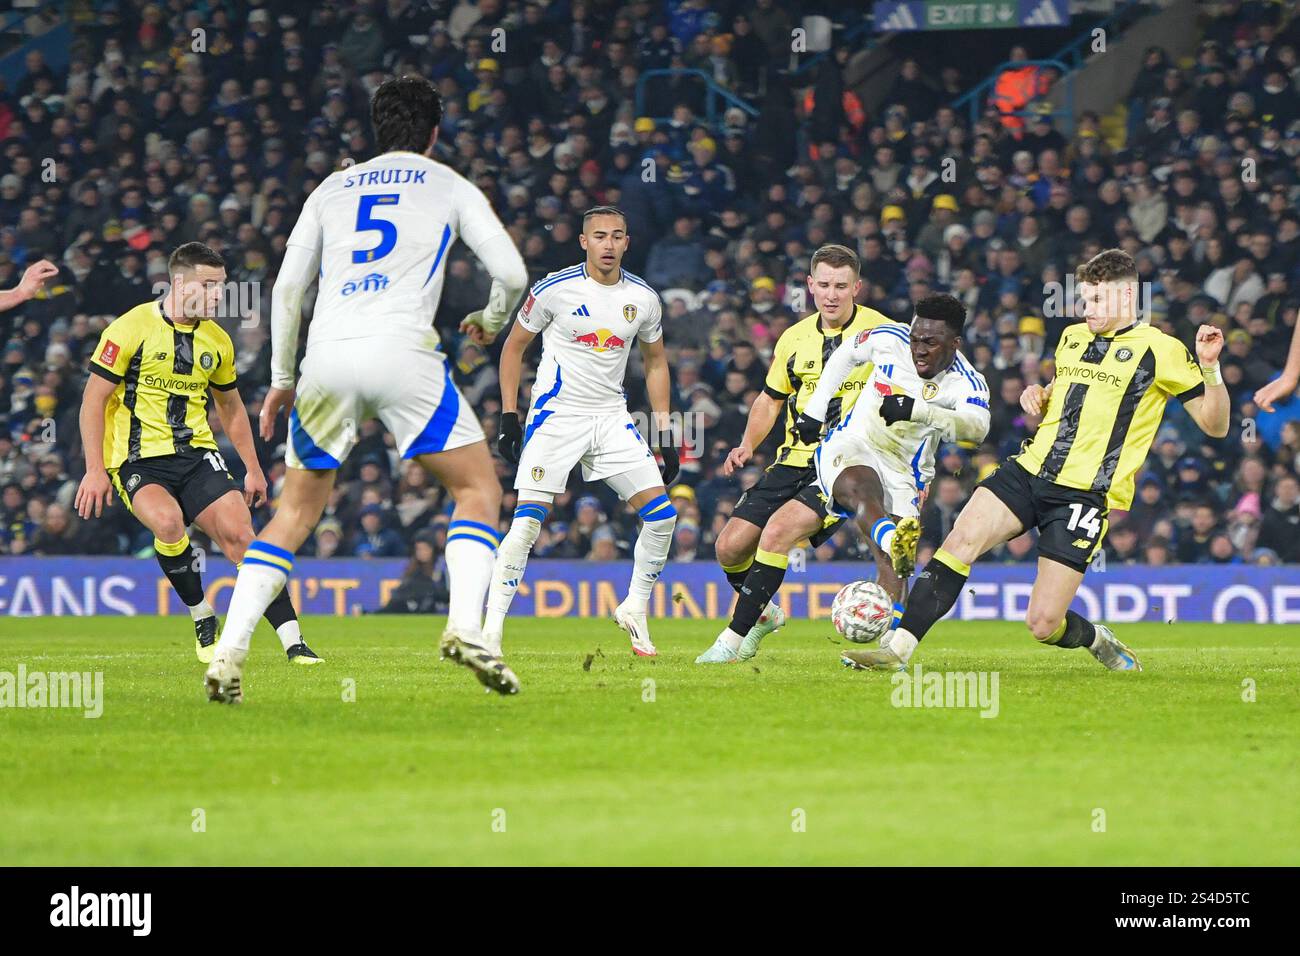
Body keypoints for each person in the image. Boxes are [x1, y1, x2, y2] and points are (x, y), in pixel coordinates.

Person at [205, 76, 529, 702]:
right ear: (435, 133)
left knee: (294, 515)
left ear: (378, 130)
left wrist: (281, 380)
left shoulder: (331, 188)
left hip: (327, 359)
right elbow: (512, 274)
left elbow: (288, 289)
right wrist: (490, 321)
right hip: (404, 353)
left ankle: (229, 653)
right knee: (477, 489)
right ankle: (467, 629)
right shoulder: (449, 184)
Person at [844, 249, 1228, 672]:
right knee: (959, 543)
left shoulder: (1162, 350)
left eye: (1097, 300)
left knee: (1044, 624)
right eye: (1085, 299)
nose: (1087, 309)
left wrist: (1211, 369)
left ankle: (1095, 638)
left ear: (1126, 297)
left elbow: (1215, 426)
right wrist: (1040, 395)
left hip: (1085, 495)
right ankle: (897, 649)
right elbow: (1066, 395)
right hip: (1029, 470)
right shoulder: (1073, 338)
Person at [696, 294, 989, 662]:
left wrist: (920, 412)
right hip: (852, 446)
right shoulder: (890, 338)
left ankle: (887, 651)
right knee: (789, 524)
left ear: (954, 343)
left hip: (905, 472)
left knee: (892, 568)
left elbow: (977, 429)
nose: (918, 348)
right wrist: (816, 411)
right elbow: (846, 354)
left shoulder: (966, 382)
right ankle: (731, 641)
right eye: (916, 338)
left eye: (930, 342)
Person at [74, 242, 319, 665]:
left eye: (221, 286)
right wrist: (94, 470)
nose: (218, 295)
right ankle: (201, 613)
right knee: (168, 523)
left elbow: (230, 407)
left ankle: (295, 643)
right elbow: (93, 401)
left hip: (196, 454)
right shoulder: (130, 328)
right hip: (135, 458)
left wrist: (253, 468)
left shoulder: (217, 340)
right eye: (208, 286)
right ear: (179, 283)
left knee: (244, 539)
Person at [485, 205, 678, 656]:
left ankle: (634, 607)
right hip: (557, 416)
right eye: (600, 236)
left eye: (617, 236)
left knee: (663, 516)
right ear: (584, 242)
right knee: (526, 525)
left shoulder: (644, 298)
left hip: (611, 417)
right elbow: (513, 348)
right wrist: (509, 415)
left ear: (627, 242)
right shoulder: (554, 289)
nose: (609, 244)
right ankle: (490, 632)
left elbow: (655, 362)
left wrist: (665, 431)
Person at [706, 244, 891, 661]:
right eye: (823, 285)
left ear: (856, 287)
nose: (831, 295)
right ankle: (764, 612)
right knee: (729, 547)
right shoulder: (794, 338)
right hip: (791, 460)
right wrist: (747, 444)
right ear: (810, 285)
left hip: (844, 465)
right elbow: (770, 399)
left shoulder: (882, 333)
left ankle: (731, 642)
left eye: (841, 286)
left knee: (777, 533)